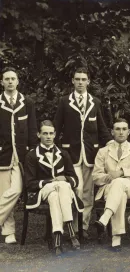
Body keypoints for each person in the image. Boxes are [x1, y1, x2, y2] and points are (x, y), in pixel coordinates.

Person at [54, 67, 113, 238]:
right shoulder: (65, 101)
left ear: (89, 82)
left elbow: (101, 127)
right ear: (72, 81)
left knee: (88, 192)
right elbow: (57, 127)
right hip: (70, 153)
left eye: (83, 79)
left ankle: (83, 227)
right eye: (77, 79)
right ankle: (71, 224)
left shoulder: (95, 102)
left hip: (90, 154)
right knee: (76, 189)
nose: (80, 82)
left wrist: (111, 143)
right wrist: (55, 150)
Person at [24, 120, 84, 255]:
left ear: (55, 134)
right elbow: (30, 184)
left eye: (51, 133)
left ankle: (57, 239)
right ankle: (71, 231)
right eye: (45, 133)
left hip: (57, 193)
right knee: (59, 186)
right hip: (42, 191)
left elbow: (75, 180)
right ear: (38, 135)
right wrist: (51, 182)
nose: (48, 137)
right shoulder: (32, 155)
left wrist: (65, 179)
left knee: (55, 195)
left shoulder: (63, 153)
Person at [92, 118, 130, 251]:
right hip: (109, 188)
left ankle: (105, 219)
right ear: (112, 132)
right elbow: (95, 176)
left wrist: (123, 172)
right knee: (119, 192)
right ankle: (116, 237)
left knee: (119, 183)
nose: (121, 132)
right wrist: (109, 176)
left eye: (124, 129)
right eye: (117, 129)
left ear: (128, 132)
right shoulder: (103, 151)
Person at [0, 67, 38, 244]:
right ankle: (9, 232)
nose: (9, 81)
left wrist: (33, 151)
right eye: (6, 79)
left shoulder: (27, 102)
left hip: (21, 156)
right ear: (2, 82)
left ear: (17, 81)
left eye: (12, 79)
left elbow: (32, 128)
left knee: (15, 190)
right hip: (3, 155)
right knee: (4, 192)